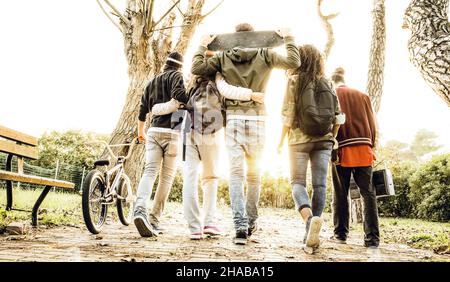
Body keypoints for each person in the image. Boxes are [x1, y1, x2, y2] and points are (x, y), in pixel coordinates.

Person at [191, 23, 300, 245]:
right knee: (254, 175)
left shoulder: (222, 59)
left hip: (234, 118)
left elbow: (197, 68)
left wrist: (202, 45)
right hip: (259, 117)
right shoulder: (266, 54)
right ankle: (250, 222)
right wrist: (289, 37)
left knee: (236, 174)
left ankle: (240, 226)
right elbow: (294, 62)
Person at [151, 69, 263, 240]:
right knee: (210, 178)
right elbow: (226, 100)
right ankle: (209, 222)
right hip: (211, 130)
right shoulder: (218, 79)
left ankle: (194, 228)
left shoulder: (190, 80)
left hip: (187, 128)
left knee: (190, 176)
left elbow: (179, 104)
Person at [277, 45, 345, 250]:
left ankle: (308, 222)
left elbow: (287, 116)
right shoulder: (328, 82)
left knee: (297, 182)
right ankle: (314, 227)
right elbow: (339, 116)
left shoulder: (294, 81)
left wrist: (280, 142)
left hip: (298, 139)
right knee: (320, 186)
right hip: (324, 140)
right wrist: (332, 137)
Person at [133, 52, 189, 237]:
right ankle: (154, 220)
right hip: (173, 132)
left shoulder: (152, 82)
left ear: (165, 64)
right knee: (166, 178)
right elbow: (179, 95)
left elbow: (142, 111)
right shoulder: (177, 76)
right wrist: (186, 99)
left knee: (149, 172)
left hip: (153, 131)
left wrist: (141, 132)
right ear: (180, 66)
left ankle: (139, 209)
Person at [330, 67, 380, 248]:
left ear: (332, 80)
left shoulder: (332, 94)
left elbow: (331, 122)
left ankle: (341, 234)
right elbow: (373, 124)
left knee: (340, 193)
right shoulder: (363, 95)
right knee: (369, 194)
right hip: (364, 148)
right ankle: (372, 239)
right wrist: (371, 144)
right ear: (344, 79)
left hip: (342, 149)